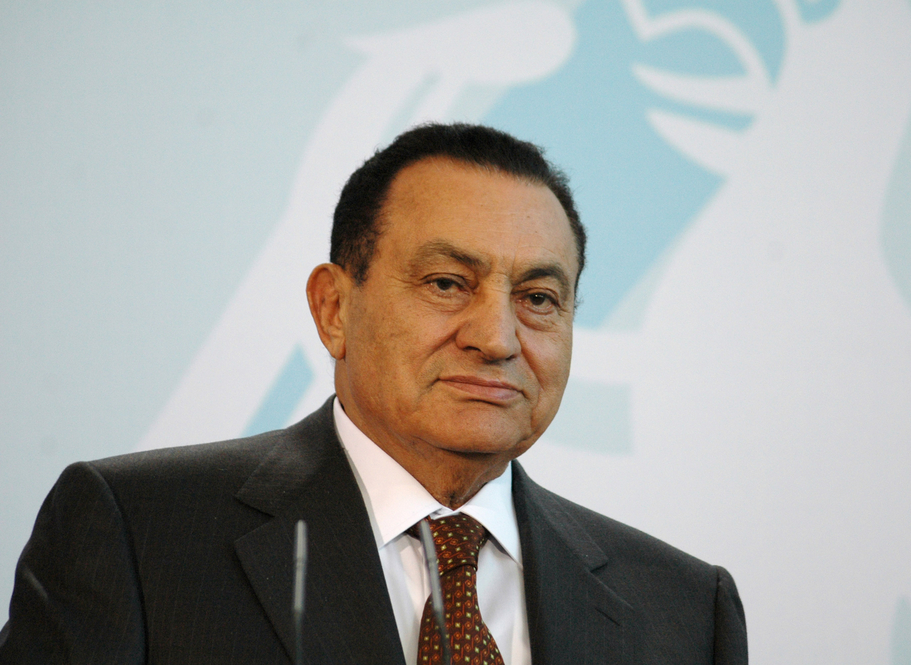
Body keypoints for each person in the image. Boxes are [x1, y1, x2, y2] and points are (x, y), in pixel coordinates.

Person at [0, 123, 747, 664]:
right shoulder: (137, 537)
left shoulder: (684, 610)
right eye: (447, 283)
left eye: (539, 298)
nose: (497, 337)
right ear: (334, 308)